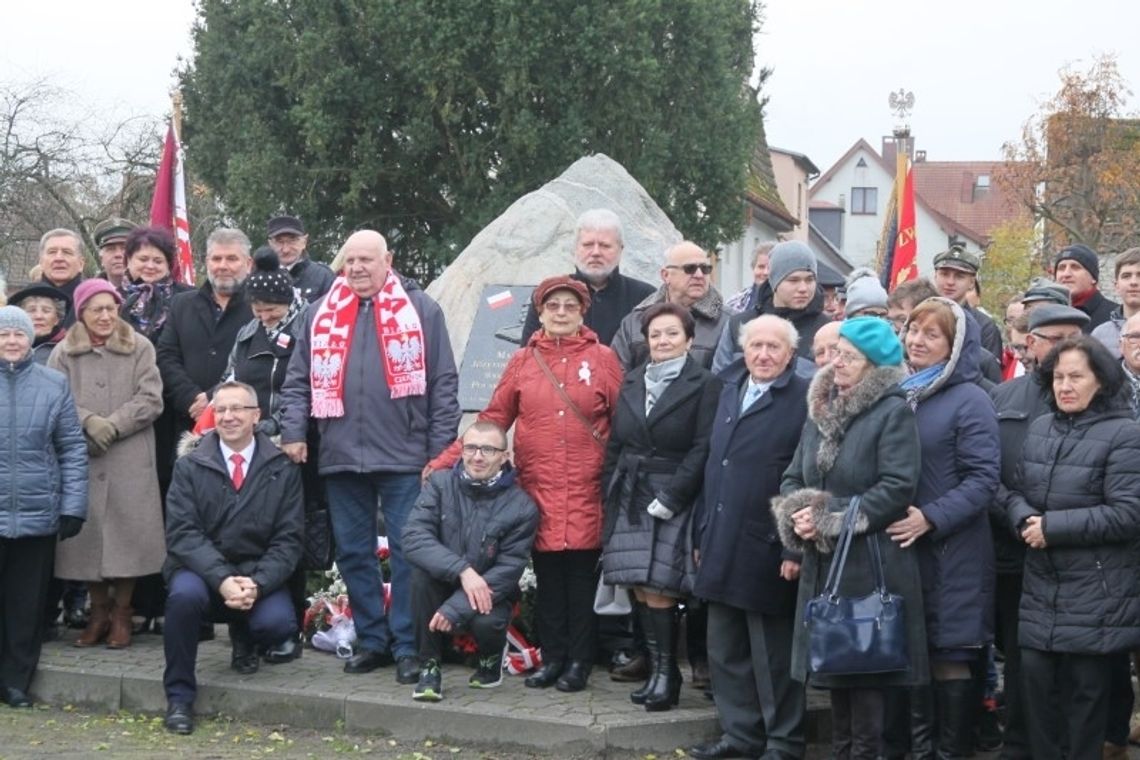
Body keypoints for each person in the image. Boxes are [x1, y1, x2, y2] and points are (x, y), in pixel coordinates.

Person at [280, 230, 460, 684]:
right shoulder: (322, 313)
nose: (357, 268)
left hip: (404, 457)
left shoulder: (421, 310)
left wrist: (439, 454)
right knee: (354, 554)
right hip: (341, 455)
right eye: (350, 260)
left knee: (407, 554)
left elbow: (443, 384)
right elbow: (298, 378)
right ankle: (374, 640)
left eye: (367, 260)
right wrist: (293, 431)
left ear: (388, 260)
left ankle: (407, 646)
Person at [427, 275, 622, 692]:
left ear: (582, 311)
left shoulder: (603, 359)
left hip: (588, 487)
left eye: (571, 305)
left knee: (581, 579)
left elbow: (624, 423)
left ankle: (579, 663)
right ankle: (552, 659)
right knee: (549, 579)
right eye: (554, 306)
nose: (562, 313)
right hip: (540, 490)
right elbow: (494, 418)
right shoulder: (522, 362)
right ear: (541, 312)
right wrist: (446, 459)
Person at [773, 317, 927, 760]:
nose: (834, 361)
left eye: (847, 356)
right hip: (825, 564)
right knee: (836, 681)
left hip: (869, 561)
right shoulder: (821, 406)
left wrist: (828, 518)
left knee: (867, 686)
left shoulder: (892, 410)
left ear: (873, 366)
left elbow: (897, 487)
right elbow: (792, 475)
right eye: (834, 350)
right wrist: (799, 513)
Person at [1004, 336, 1140, 760]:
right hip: (1040, 589)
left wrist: (1053, 528)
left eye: (1076, 376)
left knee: (1084, 707)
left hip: (1096, 594)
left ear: (1099, 380)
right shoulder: (1042, 427)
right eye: (1059, 376)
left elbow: (1128, 513)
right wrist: (1023, 517)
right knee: (1038, 700)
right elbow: (1012, 490)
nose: (1065, 385)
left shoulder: (1125, 433)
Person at [689, 315, 810, 760]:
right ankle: (740, 736)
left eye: (773, 347)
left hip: (768, 546)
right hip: (721, 539)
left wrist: (792, 546)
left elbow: (808, 477)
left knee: (773, 656)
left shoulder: (803, 400)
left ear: (790, 355)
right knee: (726, 649)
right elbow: (712, 466)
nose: (762, 355)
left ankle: (783, 741)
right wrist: (702, 532)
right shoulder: (728, 391)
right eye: (755, 345)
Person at [161, 381, 303, 735]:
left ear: (256, 416)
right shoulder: (190, 465)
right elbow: (183, 534)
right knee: (182, 599)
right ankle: (179, 697)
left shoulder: (282, 468)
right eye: (221, 409)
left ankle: (246, 635)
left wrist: (257, 584)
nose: (228, 417)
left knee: (276, 625)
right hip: (200, 571)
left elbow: (289, 540)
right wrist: (222, 580)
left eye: (238, 409)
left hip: (255, 574)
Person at [894, 297, 1001, 758]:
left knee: (949, 656)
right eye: (913, 330)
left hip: (953, 552)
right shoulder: (900, 392)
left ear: (955, 346)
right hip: (904, 549)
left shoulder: (970, 398)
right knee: (913, 657)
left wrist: (931, 516)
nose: (917, 340)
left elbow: (983, 480)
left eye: (931, 334)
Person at [601, 303, 720, 712]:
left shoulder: (706, 384)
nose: (663, 341)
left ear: (689, 339)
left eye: (672, 334)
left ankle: (669, 677)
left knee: (661, 586)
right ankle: (656, 672)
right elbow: (617, 443)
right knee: (636, 581)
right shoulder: (633, 380)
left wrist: (673, 497)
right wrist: (609, 492)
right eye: (655, 335)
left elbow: (705, 446)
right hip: (631, 489)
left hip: (674, 489)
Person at [987, 304, 1090, 760]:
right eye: (1055, 337)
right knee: (1019, 653)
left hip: (1077, 556)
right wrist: (1022, 518)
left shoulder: (1100, 400)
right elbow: (985, 474)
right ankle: (1017, 742)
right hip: (1013, 550)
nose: (1066, 348)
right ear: (1030, 343)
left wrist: (1057, 526)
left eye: (1074, 337)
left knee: (1076, 668)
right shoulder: (1002, 398)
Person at [48, 279, 165, 650]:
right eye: (96, 309)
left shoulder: (140, 347)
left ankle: (122, 614)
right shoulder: (64, 352)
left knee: (126, 536)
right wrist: (86, 421)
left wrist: (112, 425)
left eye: (111, 308)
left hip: (129, 455)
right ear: (81, 312)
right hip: (80, 454)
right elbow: (54, 396)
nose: (105, 316)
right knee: (89, 537)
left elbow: (151, 399)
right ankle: (97, 612)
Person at [403, 421, 540, 701]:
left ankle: (490, 661)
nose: (477, 457)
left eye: (488, 450)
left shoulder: (522, 506)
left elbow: (508, 569)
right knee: (419, 581)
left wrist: (456, 607)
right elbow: (414, 537)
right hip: (444, 579)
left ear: (504, 457)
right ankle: (429, 666)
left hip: (489, 588)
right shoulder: (440, 484)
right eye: (471, 448)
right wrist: (462, 570)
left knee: (486, 624)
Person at [223, 247, 311, 657]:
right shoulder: (246, 335)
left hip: (290, 447)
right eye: (258, 307)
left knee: (287, 534)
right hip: (249, 445)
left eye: (272, 307)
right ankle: (247, 622)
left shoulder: (306, 329)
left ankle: (290, 624)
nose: (265, 315)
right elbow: (232, 380)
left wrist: (280, 427)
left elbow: (303, 388)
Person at [0, 306, 87, 708]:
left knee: (26, 605)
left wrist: (73, 506)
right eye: (4, 334)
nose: (12, 341)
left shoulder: (54, 384)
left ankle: (17, 680)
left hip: (37, 514)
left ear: (30, 338)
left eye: (18, 335)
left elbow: (71, 449)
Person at [156, 228, 253, 467]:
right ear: (206, 261)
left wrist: (212, 399)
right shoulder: (181, 304)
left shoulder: (259, 307)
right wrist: (191, 399)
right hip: (187, 426)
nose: (223, 265)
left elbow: (254, 362)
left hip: (241, 426)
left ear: (248, 263)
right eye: (216, 258)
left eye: (232, 258)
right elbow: (166, 356)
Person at [518, 209, 656, 347]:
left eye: (605, 245)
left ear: (621, 250)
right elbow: (529, 352)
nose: (596, 252)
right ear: (575, 248)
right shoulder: (549, 294)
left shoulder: (645, 297)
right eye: (588, 245)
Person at [712, 240, 831, 371]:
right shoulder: (739, 325)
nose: (803, 288)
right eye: (793, 280)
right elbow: (720, 382)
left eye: (810, 279)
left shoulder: (827, 330)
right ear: (774, 281)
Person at [611, 241, 726, 371]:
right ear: (666, 275)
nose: (699, 275)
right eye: (690, 268)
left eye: (705, 269)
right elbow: (617, 375)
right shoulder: (634, 322)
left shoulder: (728, 323)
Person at [120, 227, 194, 342]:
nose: (150, 266)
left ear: (168, 265)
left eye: (158, 261)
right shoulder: (113, 297)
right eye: (143, 259)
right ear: (128, 260)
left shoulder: (189, 297)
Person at [931, 245, 1004, 359]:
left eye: (959, 276)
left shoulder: (984, 326)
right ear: (935, 276)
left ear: (971, 283)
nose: (950, 282)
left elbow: (990, 371)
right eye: (944, 274)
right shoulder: (920, 317)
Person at [266, 215, 335, 303]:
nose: (285, 249)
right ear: (270, 244)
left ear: (304, 242)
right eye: (279, 242)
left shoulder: (323, 276)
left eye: (292, 241)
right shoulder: (260, 278)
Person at [1052, 243, 1115, 332]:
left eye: (1075, 267)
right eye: (1061, 268)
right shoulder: (1048, 314)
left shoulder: (1115, 316)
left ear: (1093, 278)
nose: (1066, 274)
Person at [1091, 247, 1140, 358]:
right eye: (1126, 276)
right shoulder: (1100, 335)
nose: (1133, 282)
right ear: (1116, 285)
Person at [8, 284, 68, 364]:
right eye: (31, 310)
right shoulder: (6, 345)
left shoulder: (68, 348)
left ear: (57, 319)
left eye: (46, 311)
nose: (39, 316)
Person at [37, 228, 86, 325]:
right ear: (41, 262)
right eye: (52, 252)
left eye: (67, 252)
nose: (58, 258)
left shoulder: (93, 301)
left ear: (81, 264)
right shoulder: (23, 302)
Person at [724, 242, 774, 314]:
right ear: (753, 268)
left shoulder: (790, 301)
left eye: (770, 267)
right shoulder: (736, 302)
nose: (766, 272)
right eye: (761, 267)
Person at [93, 217, 137, 289]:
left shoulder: (152, 294)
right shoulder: (89, 297)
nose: (118, 254)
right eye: (111, 249)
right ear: (101, 259)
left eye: (124, 248)